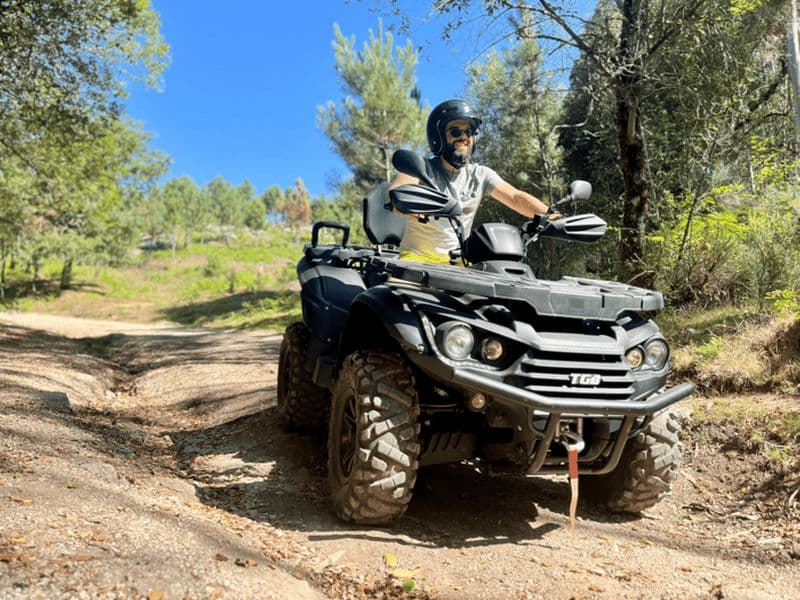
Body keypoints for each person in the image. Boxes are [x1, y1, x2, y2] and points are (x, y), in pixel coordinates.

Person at [390, 98, 551, 264]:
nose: (464, 137)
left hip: (459, 263)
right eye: (455, 132)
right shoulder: (422, 168)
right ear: (438, 137)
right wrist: (404, 202)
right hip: (416, 259)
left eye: (469, 132)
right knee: (399, 281)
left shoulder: (480, 175)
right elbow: (397, 190)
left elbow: (515, 197)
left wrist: (552, 217)